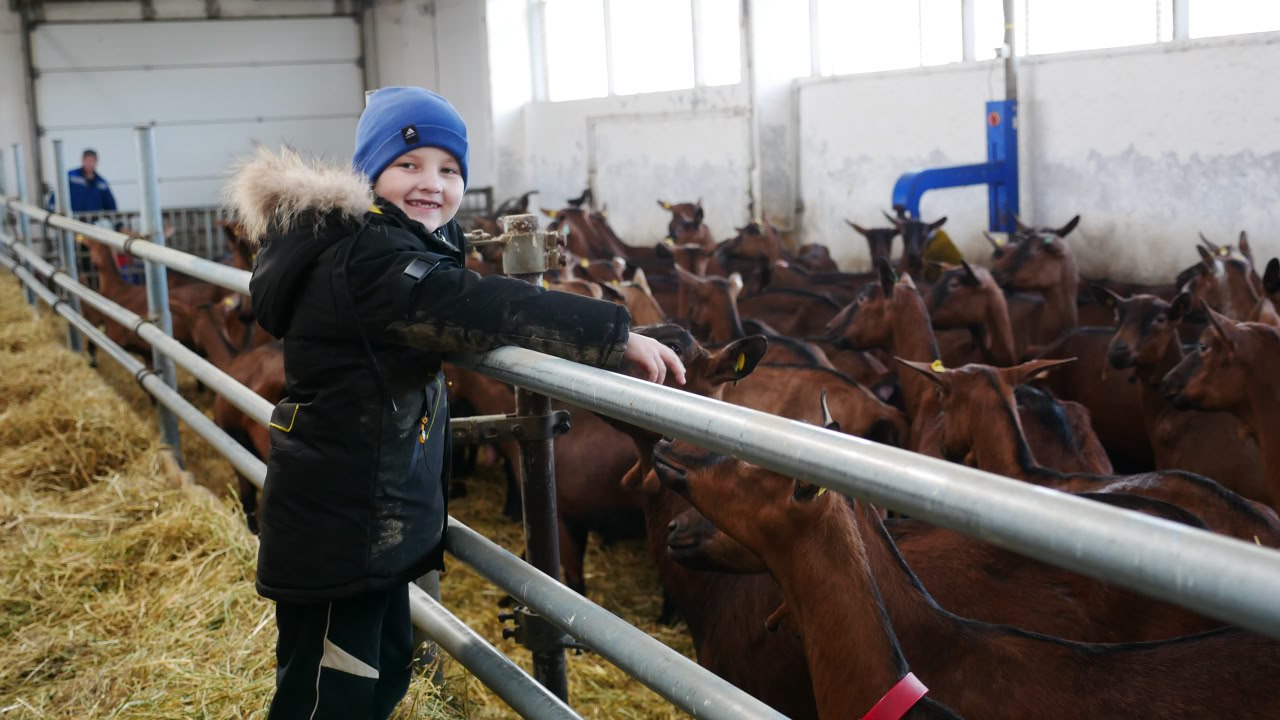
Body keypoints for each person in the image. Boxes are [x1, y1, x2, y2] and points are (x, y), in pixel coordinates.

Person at [226, 86, 685, 720]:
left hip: (366, 523)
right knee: (328, 698)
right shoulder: (367, 260)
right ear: (368, 175)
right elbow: (476, 303)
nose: (431, 184)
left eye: (449, 170)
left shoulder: (390, 246)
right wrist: (613, 335)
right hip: (341, 533)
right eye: (408, 165)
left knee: (378, 678)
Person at [67, 149, 118, 214]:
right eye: (87, 160)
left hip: (92, 221)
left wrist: (117, 222)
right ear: (82, 161)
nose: (89, 164)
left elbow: (110, 205)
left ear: (96, 162)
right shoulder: (71, 177)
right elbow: (58, 195)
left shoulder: (102, 183)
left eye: (92, 161)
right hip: (72, 220)